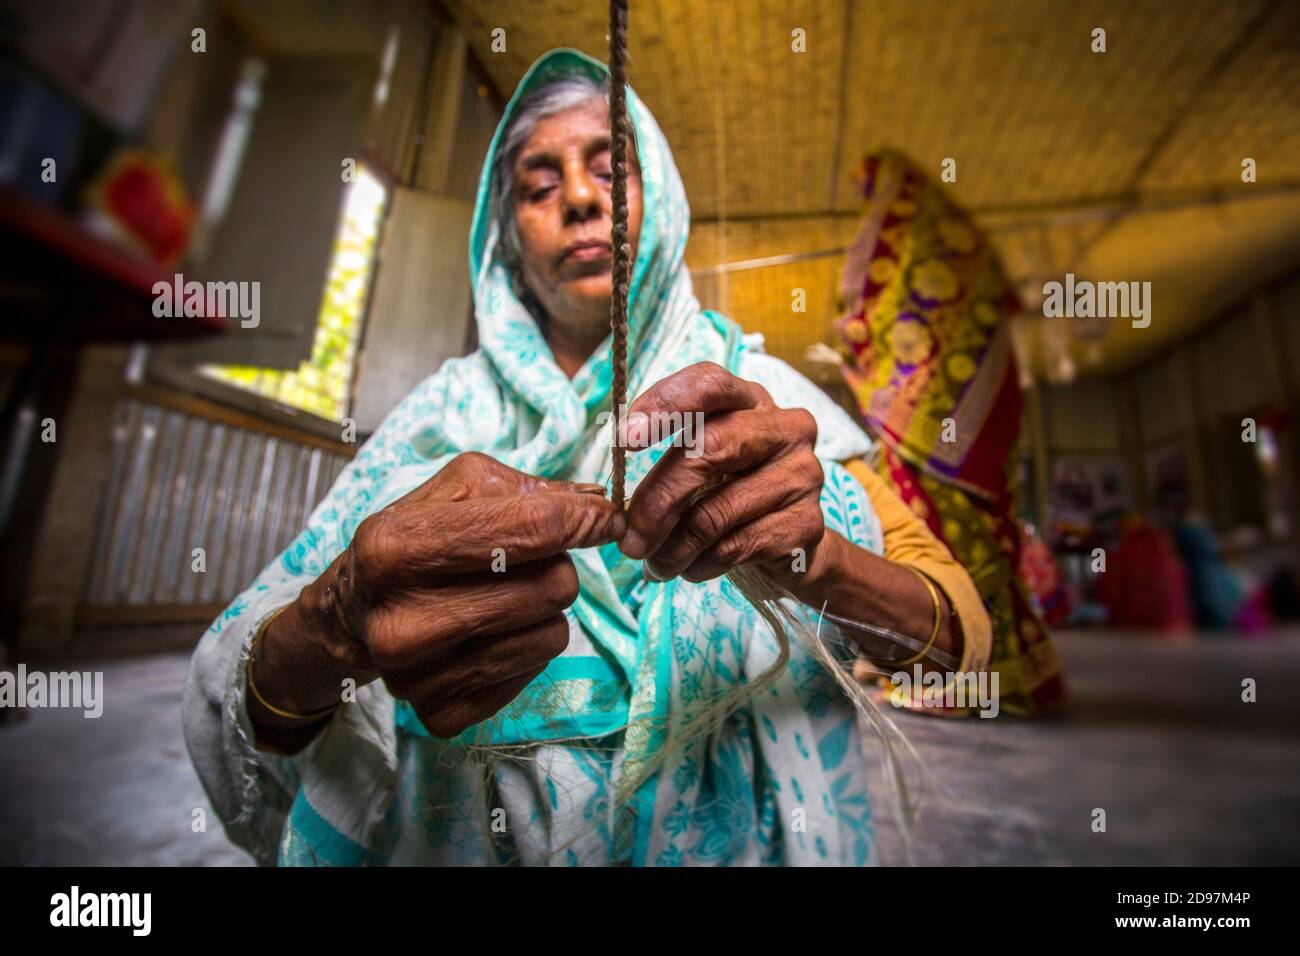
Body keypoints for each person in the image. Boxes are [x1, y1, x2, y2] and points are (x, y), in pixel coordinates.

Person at [183, 50, 989, 867]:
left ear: (662, 203)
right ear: (506, 242)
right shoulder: (434, 423)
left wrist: (819, 560)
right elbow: (246, 710)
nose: (576, 199)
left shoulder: (768, 409)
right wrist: (338, 629)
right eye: (538, 188)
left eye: (612, 171)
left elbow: (962, 641)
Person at [834, 149, 1064, 716]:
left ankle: (972, 679)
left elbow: (872, 322)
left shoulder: (914, 246)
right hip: (953, 438)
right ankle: (995, 674)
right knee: (963, 539)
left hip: (937, 441)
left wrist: (856, 345)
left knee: (954, 542)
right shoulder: (953, 250)